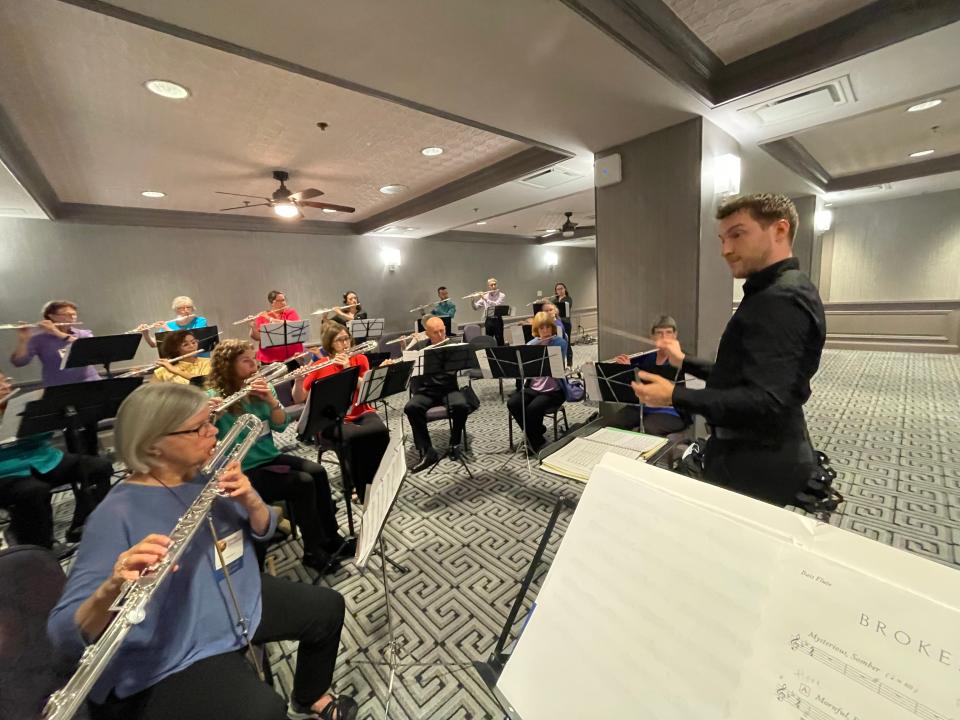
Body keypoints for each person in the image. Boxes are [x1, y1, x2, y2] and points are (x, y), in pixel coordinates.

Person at [46, 383, 358, 720]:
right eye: (200, 428)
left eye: (211, 422)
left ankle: (308, 696)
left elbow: (265, 528)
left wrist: (251, 500)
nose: (214, 432)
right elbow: (64, 632)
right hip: (175, 642)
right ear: (154, 444)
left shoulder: (206, 474)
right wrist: (111, 587)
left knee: (327, 608)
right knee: (263, 710)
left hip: (236, 593)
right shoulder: (113, 515)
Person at [632, 193, 826, 508]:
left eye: (737, 234)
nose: (726, 250)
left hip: (758, 463)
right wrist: (685, 361)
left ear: (779, 230)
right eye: (723, 239)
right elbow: (744, 377)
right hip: (754, 450)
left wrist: (674, 396)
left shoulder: (781, 299)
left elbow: (765, 400)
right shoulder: (772, 291)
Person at [207, 340, 350, 573]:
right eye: (246, 361)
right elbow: (207, 441)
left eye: (254, 358)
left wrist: (271, 401)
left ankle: (331, 537)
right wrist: (212, 414)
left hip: (269, 457)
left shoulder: (263, 387)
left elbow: (281, 426)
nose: (254, 365)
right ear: (227, 366)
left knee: (318, 472)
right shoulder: (214, 397)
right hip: (242, 469)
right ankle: (313, 550)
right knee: (301, 483)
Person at [0, 372, 112, 547]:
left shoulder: (20, 407)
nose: (5, 387)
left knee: (99, 466)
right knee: (35, 490)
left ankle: (81, 525)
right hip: (7, 471)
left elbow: (43, 437)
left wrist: (45, 418)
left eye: (5, 381)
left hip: (43, 459)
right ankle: (40, 546)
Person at [292, 324, 389, 504]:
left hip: (361, 411)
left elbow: (367, 388)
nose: (345, 343)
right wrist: (298, 381)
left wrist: (347, 369)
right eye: (340, 340)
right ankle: (360, 486)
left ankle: (378, 479)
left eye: (347, 338)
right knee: (354, 438)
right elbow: (300, 398)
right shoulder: (320, 365)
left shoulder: (359, 359)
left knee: (380, 431)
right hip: (332, 420)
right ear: (330, 343)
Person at [9, 300, 101, 454]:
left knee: (91, 428)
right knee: (70, 430)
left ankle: (97, 468)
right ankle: (79, 468)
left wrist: (57, 333)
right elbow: (19, 362)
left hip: (88, 385)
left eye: (74, 314)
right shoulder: (39, 339)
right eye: (67, 314)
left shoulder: (83, 333)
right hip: (60, 390)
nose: (72, 318)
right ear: (51, 316)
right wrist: (24, 339)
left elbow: (89, 348)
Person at [404, 316, 471, 473]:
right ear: (427, 334)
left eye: (442, 331)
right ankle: (427, 451)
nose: (441, 335)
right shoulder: (420, 349)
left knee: (461, 405)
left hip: (449, 389)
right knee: (411, 407)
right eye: (436, 332)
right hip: (427, 392)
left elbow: (453, 373)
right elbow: (410, 372)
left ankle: (454, 443)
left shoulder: (453, 346)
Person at [613, 316, 687, 437]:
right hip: (643, 407)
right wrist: (626, 369)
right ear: (652, 337)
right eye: (659, 333)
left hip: (673, 412)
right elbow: (633, 389)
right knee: (616, 422)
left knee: (650, 428)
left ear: (675, 335)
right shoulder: (647, 358)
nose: (664, 338)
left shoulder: (682, 361)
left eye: (668, 332)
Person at [506, 312, 569, 453]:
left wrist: (545, 346)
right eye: (541, 328)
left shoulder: (560, 342)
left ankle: (533, 440)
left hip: (553, 389)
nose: (545, 330)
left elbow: (557, 367)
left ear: (552, 328)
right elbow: (526, 369)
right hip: (533, 387)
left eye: (548, 327)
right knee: (513, 403)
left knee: (533, 408)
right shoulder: (531, 344)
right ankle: (536, 435)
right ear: (537, 330)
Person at [249, 290, 305, 364]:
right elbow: (257, 337)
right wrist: (253, 326)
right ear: (273, 302)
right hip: (269, 359)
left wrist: (270, 319)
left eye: (284, 300)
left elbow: (293, 324)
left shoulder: (290, 312)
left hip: (292, 357)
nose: (284, 303)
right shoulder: (263, 316)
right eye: (280, 301)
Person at [138, 296, 209, 349]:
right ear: (176, 310)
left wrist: (166, 328)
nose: (186, 310)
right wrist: (145, 333)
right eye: (181, 308)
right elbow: (154, 344)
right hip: (179, 361)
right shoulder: (170, 325)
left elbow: (190, 341)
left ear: (193, 308)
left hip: (199, 359)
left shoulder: (200, 321)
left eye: (188, 307)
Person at [473, 277, 507, 345]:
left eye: (495, 284)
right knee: (488, 341)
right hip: (488, 321)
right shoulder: (485, 295)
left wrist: (485, 299)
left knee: (500, 340)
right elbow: (476, 307)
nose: (494, 286)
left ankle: (502, 354)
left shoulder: (502, 295)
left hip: (498, 320)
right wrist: (472, 300)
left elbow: (496, 305)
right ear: (489, 286)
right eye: (491, 285)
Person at [551, 282, 573, 365]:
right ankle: (561, 363)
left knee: (567, 342)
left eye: (561, 288)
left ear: (565, 289)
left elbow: (560, 309)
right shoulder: (555, 300)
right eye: (557, 289)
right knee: (559, 343)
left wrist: (549, 303)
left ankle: (569, 362)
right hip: (557, 324)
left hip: (566, 324)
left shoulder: (568, 299)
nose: (559, 290)